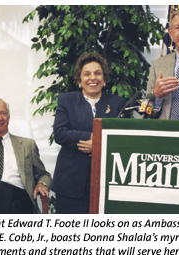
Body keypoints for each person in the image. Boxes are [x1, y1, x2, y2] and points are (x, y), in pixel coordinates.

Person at [51, 52, 126, 214]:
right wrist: (91, 138)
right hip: (70, 182)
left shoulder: (117, 102)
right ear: (79, 81)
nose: (93, 78)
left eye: (98, 73)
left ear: (104, 80)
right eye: (87, 74)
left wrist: (99, 145)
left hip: (106, 181)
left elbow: (124, 138)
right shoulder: (66, 100)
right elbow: (60, 133)